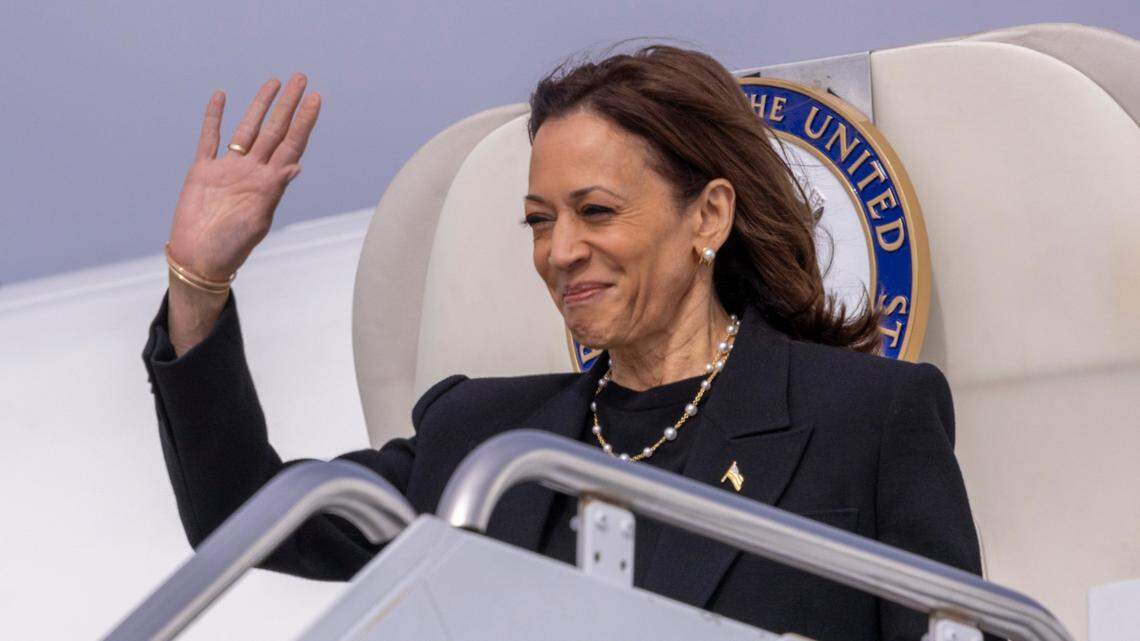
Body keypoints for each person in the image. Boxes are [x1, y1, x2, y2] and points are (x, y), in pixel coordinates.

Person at [142, 45, 987, 641]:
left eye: (596, 211)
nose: (559, 250)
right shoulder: (481, 439)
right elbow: (244, 515)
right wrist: (198, 282)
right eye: (540, 221)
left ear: (709, 216)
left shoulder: (868, 418)